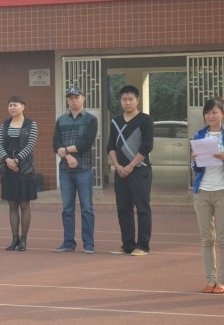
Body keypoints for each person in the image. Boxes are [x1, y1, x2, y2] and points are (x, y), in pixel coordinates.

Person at [107, 85, 154, 256]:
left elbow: (147, 146)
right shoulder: (115, 121)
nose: (127, 102)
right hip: (120, 172)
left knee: (142, 208)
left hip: (140, 171)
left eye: (131, 99)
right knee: (123, 209)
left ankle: (142, 246)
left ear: (137, 100)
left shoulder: (145, 120)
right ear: (120, 101)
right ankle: (127, 244)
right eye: (124, 99)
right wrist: (117, 166)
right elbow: (110, 146)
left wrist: (131, 165)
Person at [52, 86, 98, 254]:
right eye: (70, 98)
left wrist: (66, 151)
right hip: (65, 170)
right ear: (67, 100)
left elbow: (86, 143)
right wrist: (68, 157)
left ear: (83, 98)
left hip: (84, 169)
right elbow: (55, 144)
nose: (74, 100)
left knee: (86, 207)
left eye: (77, 97)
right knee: (67, 209)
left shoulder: (91, 120)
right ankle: (68, 242)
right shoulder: (61, 120)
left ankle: (89, 243)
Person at [191, 98, 224, 294]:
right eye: (207, 112)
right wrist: (194, 161)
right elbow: (195, 168)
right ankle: (210, 280)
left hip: (223, 192)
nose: (210, 116)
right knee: (207, 239)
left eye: (214, 112)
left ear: (222, 113)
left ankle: (222, 281)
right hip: (202, 193)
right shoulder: (199, 136)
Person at [0, 95, 38, 252]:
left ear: (23, 106)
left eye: (15, 105)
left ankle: (23, 240)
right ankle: (14, 239)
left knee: (24, 205)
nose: (12, 108)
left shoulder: (31, 124)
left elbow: (30, 145)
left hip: (24, 169)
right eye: (10, 105)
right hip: (8, 168)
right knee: (12, 205)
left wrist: (16, 160)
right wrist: (8, 160)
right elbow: (0, 144)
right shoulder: (4, 124)